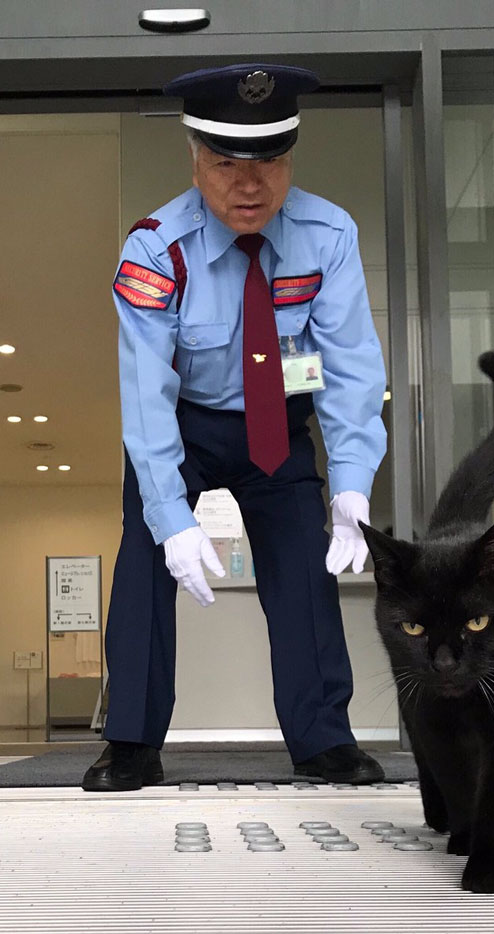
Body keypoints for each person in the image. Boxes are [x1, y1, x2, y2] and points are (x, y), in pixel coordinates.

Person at [82, 63, 388, 791]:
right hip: (182, 427)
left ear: (290, 158)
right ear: (194, 156)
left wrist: (352, 483)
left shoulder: (328, 236)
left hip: (277, 422)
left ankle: (323, 742)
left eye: (270, 161)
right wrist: (169, 515)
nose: (250, 185)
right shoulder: (156, 250)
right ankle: (130, 741)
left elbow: (348, 367)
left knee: (303, 566)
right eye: (227, 163)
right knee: (145, 558)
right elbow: (146, 393)